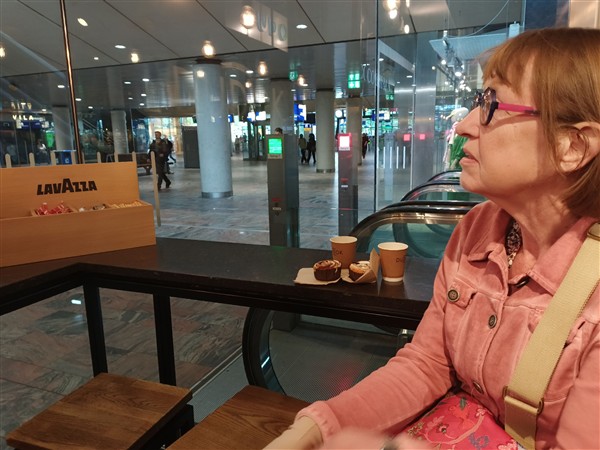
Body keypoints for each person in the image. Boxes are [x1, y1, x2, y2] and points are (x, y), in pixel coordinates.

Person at [265, 28, 600, 450]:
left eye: (491, 105)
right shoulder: (477, 228)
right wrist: (317, 428)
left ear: (572, 146)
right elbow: (426, 363)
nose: (463, 125)